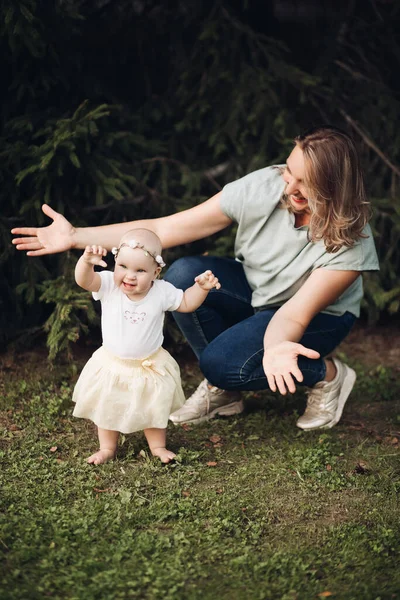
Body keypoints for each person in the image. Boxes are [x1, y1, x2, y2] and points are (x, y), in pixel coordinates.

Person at [12, 126, 379, 431]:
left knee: (223, 364)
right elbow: (163, 228)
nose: (288, 187)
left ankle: (327, 374)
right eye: (289, 171)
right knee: (184, 274)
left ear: (333, 187)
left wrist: (277, 346)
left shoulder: (351, 245)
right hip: (258, 290)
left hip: (314, 317)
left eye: (305, 182)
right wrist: (76, 236)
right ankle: (226, 392)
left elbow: (294, 316)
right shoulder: (265, 187)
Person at [70, 228, 220, 464]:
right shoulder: (108, 285)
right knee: (108, 406)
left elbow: (187, 302)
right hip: (113, 364)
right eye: (123, 267)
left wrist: (201, 288)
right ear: (115, 263)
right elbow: (84, 280)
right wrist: (86, 262)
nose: (129, 276)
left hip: (149, 364)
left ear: (156, 272)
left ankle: (158, 446)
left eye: (140, 270)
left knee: (152, 407)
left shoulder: (161, 292)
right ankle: (107, 447)